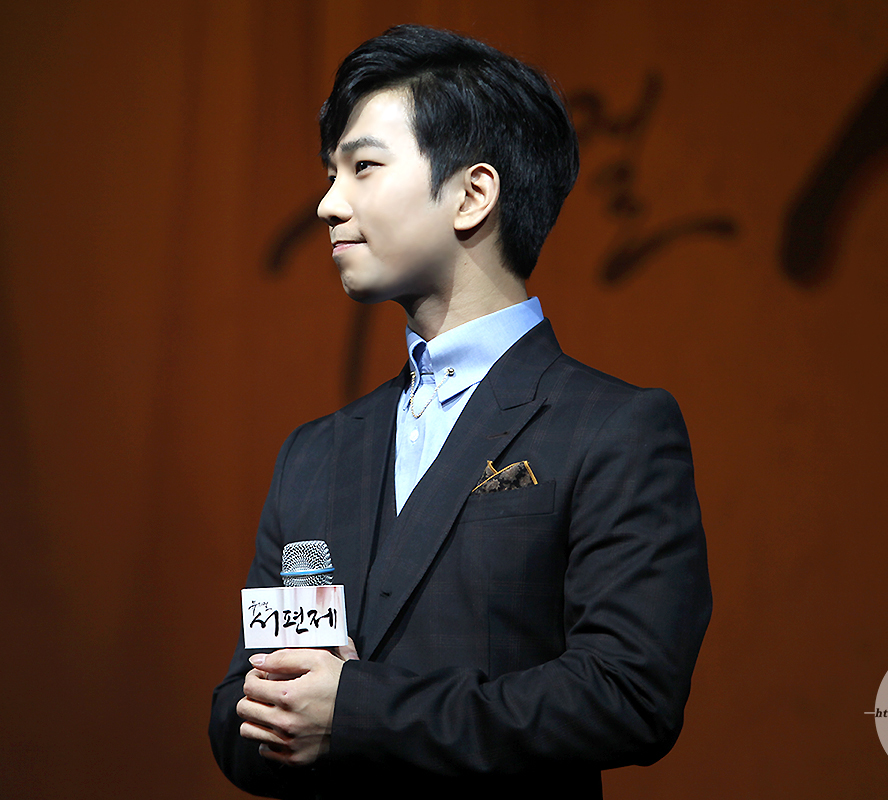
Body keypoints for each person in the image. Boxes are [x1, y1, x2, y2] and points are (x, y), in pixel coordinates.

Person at [209, 24, 711, 799]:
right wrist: (277, 716)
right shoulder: (314, 454)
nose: (328, 204)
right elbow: (240, 713)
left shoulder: (613, 429)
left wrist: (359, 710)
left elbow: (628, 693)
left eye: (364, 167)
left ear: (473, 195)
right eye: (331, 173)